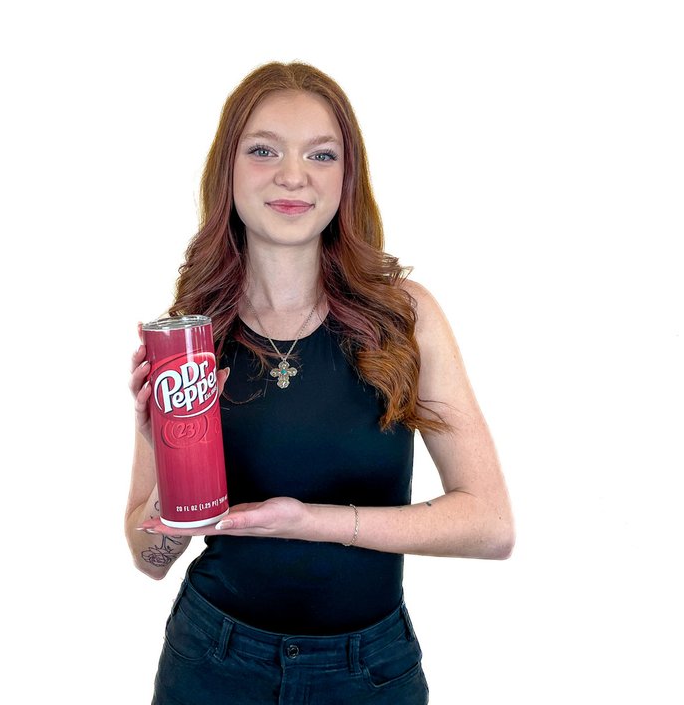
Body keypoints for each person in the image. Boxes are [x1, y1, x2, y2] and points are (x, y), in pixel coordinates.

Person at [125, 61, 514, 704]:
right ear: (228, 170)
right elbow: (150, 558)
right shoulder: (191, 339)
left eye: (321, 154)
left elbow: (491, 524)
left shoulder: (404, 317)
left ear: (345, 178)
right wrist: (169, 460)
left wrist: (314, 521)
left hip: (369, 671)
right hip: (212, 662)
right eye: (264, 150)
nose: (293, 175)